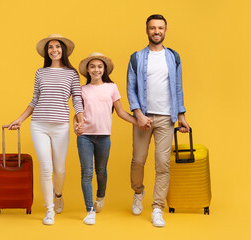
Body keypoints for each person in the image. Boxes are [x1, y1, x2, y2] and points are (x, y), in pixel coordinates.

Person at [7, 33, 84, 225]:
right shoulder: (40, 73)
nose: (54, 50)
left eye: (57, 47)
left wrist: (80, 120)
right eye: (50, 47)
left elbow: (77, 99)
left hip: (61, 127)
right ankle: (49, 209)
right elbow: (34, 100)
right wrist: (20, 120)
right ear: (47, 52)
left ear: (63, 50)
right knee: (46, 168)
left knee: (59, 169)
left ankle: (58, 194)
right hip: (39, 125)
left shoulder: (72, 74)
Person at [126, 14, 190, 227]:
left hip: (166, 117)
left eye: (160, 28)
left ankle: (156, 208)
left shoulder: (173, 56)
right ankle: (138, 192)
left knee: (163, 164)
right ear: (147, 30)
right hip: (143, 118)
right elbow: (131, 88)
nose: (156, 31)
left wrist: (181, 116)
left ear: (165, 30)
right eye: (152, 28)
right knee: (138, 161)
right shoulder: (136, 57)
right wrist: (138, 114)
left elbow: (178, 87)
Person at [74, 52, 137, 225]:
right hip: (85, 137)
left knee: (101, 170)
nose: (96, 69)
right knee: (86, 173)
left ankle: (100, 196)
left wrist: (138, 122)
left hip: (104, 137)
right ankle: (90, 210)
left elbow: (121, 112)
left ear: (104, 69)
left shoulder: (111, 87)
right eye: (92, 66)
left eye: (99, 66)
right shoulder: (82, 90)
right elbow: (77, 114)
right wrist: (75, 125)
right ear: (87, 70)